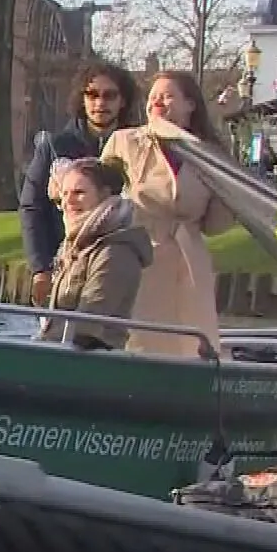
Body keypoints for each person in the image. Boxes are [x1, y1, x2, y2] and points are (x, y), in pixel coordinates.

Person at [100, 70, 235, 359]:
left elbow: (214, 224)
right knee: (140, 339)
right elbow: (98, 193)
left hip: (189, 258)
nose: (158, 102)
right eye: (153, 96)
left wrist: (229, 196)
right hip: (140, 252)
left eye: (168, 95)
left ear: (190, 105)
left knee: (192, 341)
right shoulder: (125, 142)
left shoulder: (210, 155)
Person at [20, 60, 138, 308]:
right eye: (92, 94)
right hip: (65, 264)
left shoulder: (137, 147)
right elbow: (32, 207)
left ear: (123, 100)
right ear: (81, 99)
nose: (100, 103)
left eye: (109, 95)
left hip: (119, 264)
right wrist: (40, 267)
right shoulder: (54, 146)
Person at [36, 160, 152, 351]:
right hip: (56, 352)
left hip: (90, 361)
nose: (68, 202)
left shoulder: (116, 251)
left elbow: (89, 323)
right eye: (65, 194)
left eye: (79, 193)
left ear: (104, 195)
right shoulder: (74, 245)